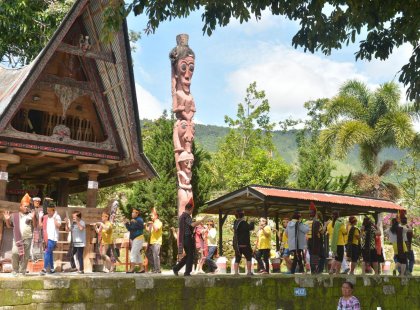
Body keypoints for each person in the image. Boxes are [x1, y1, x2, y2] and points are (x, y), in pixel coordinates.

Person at [4, 193, 36, 276]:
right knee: (14, 253)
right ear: (20, 207)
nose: (26, 208)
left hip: (27, 237)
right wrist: (7, 219)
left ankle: (23, 270)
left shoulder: (30, 215)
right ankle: (15, 270)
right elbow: (8, 226)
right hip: (17, 237)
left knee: (26, 255)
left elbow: (35, 226)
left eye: (27, 206)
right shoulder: (14, 216)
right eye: (25, 206)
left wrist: (33, 218)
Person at [173, 199, 205, 276]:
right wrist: (202, 220)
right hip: (187, 238)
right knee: (190, 255)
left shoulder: (182, 216)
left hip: (185, 238)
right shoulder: (186, 216)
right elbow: (192, 225)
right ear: (190, 209)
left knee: (188, 255)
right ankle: (187, 272)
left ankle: (176, 268)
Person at [40, 206, 61, 275]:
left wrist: (54, 218)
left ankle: (45, 269)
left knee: (47, 252)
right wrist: (40, 218)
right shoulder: (46, 217)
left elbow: (58, 226)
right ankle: (52, 269)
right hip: (46, 237)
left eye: (49, 210)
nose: (48, 212)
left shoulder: (57, 217)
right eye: (47, 210)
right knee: (50, 253)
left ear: (53, 210)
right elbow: (41, 226)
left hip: (53, 237)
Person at [232, 209, 255, 275]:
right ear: (242, 215)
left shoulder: (235, 222)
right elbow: (250, 228)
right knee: (248, 257)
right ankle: (249, 272)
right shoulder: (243, 223)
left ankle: (236, 273)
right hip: (244, 244)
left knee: (237, 259)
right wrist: (252, 221)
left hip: (237, 245)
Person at [124, 207, 145, 273]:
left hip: (138, 238)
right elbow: (130, 229)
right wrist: (126, 223)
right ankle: (142, 268)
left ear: (137, 213)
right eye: (132, 212)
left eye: (133, 212)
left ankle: (132, 268)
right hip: (135, 238)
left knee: (133, 253)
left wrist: (135, 221)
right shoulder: (133, 220)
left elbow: (141, 226)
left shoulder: (139, 219)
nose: (132, 213)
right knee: (137, 254)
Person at [306, 203, 324, 274]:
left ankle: (313, 270)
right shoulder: (317, 222)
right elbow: (321, 232)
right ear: (315, 214)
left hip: (309, 241)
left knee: (312, 255)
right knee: (322, 256)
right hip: (316, 241)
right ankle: (319, 270)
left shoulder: (306, 222)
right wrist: (325, 225)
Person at [146, 207, 163, 273]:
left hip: (157, 242)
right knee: (148, 254)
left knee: (156, 255)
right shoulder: (153, 223)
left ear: (156, 216)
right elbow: (149, 230)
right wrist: (145, 226)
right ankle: (154, 268)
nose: (151, 217)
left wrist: (152, 224)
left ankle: (158, 269)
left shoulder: (159, 222)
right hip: (151, 242)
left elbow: (156, 229)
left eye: (152, 216)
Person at [31, 197, 44, 261]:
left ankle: (39, 258)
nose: (37, 202)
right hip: (31, 229)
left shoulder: (41, 210)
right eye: (36, 201)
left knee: (39, 243)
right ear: (33, 202)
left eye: (38, 202)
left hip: (39, 229)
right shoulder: (30, 209)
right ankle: (32, 258)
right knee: (32, 244)